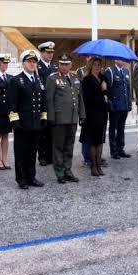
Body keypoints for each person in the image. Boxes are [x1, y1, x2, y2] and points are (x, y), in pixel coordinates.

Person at [8, 49, 46, 189]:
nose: (32, 64)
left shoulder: (38, 80)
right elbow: (12, 104)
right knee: (21, 152)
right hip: (22, 125)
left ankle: (31, 176)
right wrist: (15, 122)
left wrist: (43, 118)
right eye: (29, 62)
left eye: (34, 62)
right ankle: (21, 179)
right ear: (23, 63)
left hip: (35, 123)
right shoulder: (16, 80)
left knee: (32, 152)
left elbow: (42, 102)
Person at [46, 53, 85, 183]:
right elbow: (49, 99)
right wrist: (51, 117)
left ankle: (68, 170)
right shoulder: (52, 78)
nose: (64, 66)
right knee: (58, 147)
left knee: (69, 146)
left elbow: (79, 98)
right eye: (62, 64)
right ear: (59, 64)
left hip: (72, 118)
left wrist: (82, 114)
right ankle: (60, 173)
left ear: (71, 65)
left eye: (66, 64)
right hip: (59, 119)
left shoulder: (74, 78)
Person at [79, 58, 108, 177]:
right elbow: (88, 98)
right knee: (92, 141)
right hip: (91, 114)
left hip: (102, 113)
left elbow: (108, 94)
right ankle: (93, 165)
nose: (97, 67)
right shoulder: (86, 80)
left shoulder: (103, 77)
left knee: (100, 140)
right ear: (90, 66)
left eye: (99, 65)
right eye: (95, 65)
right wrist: (102, 93)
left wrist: (105, 90)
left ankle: (99, 165)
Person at [106, 59, 132, 159]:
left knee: (121, 128)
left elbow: (128, 88)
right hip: (115, 105)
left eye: (123, 59)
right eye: (120, 59)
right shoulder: (110, 71)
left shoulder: (125, 71)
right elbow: (107, 89)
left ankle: (120, 149)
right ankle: (114, 151)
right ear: (115, 60)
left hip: (124, 105)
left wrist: (129, 103)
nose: (123, 61)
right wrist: (110, 102)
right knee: (113, 128)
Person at [37, 41, 57, 166]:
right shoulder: (37, 67)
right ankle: (42, 156)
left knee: (52, 131)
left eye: (52, 53)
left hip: (54, 104)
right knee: (42, 131)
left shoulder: (54, 67)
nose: (50, 55)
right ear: (42, 53)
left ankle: (50, 155)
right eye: (48, 52)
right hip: (43, 103)